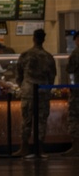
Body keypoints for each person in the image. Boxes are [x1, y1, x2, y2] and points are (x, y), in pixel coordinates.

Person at [13, 27, 57, 156]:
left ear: (33, 38)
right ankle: (40, 148)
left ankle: (24, 147)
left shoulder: (25, 55)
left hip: (28, 91)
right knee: (41, 121)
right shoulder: (48, 57)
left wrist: (23, 86)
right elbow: (52, 76)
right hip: (43, 92)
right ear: (44, 39)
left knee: (27, 120)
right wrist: (48, 89)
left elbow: (18, 74)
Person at [65, 34, 79, 156]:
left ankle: (76, 147)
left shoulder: (75, 53)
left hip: (77, 92)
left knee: (74, 117)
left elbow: (69, 69)